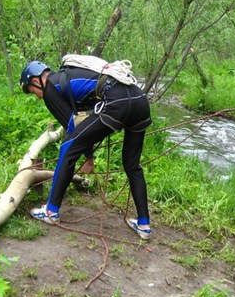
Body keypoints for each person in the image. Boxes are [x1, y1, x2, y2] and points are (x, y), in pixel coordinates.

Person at [19, 59, 153, 240]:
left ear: (36, 81)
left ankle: (51, 212)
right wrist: (88, 153)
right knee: (132, 165)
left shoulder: (50, 87)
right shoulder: (66, 77)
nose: (36, 96)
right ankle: (144, 225)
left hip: (117, 103)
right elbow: (83, 124)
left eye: (32, 91)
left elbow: (72, 128)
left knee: (67, 149)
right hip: (140, 100)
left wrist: (89, 158)